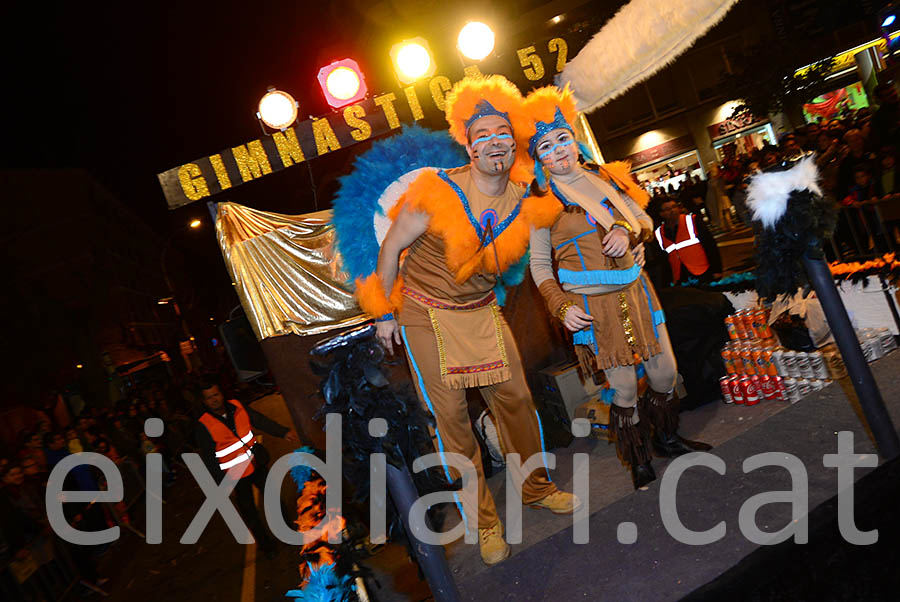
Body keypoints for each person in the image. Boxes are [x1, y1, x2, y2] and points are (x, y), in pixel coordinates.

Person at [355, 74, 579, 566]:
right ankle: (484, 524)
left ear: (513, 140)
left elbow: (573, 203)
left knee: (517, 399)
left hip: (480, 309)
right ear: (469, 144)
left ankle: (536, 487)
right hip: (424, 312)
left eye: (503, 133)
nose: (495, 142)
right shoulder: (435, 192)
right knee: (453, 420)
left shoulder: (524, 198)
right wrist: (384, 311)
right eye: (484, 135)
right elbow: (391, 248)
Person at [524, 85, 711, 490]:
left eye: (562, 139)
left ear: (574, 139)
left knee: (665, 374)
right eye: (545, 147)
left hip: (638, 290)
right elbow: (539, 265)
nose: (558, 151)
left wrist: (631, 235)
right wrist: (559, 306)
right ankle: (639, 457)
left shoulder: (604, 175)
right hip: (594, 305)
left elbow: (642, 219)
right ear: (536, 157)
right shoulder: (538, 202)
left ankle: (666, 437)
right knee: (624, 388)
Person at [194, 376, 298, 556]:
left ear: (221, 393)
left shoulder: (237, 406)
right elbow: (210, 461)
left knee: (274, 500)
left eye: (216, 394)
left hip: (255, 464)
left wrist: (282, 432)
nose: (215, 399)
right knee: (250, 513)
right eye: (210, 397)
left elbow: (260, 420)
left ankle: (289, 533)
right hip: (234, 477)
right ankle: (267, 547)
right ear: (204, 401)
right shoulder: (204, 425)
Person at [656, 197, 722, 284]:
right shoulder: (659, 233)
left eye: (674, 207)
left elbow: (710, 245)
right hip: (680, 277)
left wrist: (717, 270)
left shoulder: (693, 221)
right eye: (667, 209)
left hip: (702, 271)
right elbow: (664, 260)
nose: (672, 211)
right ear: (662, 214)